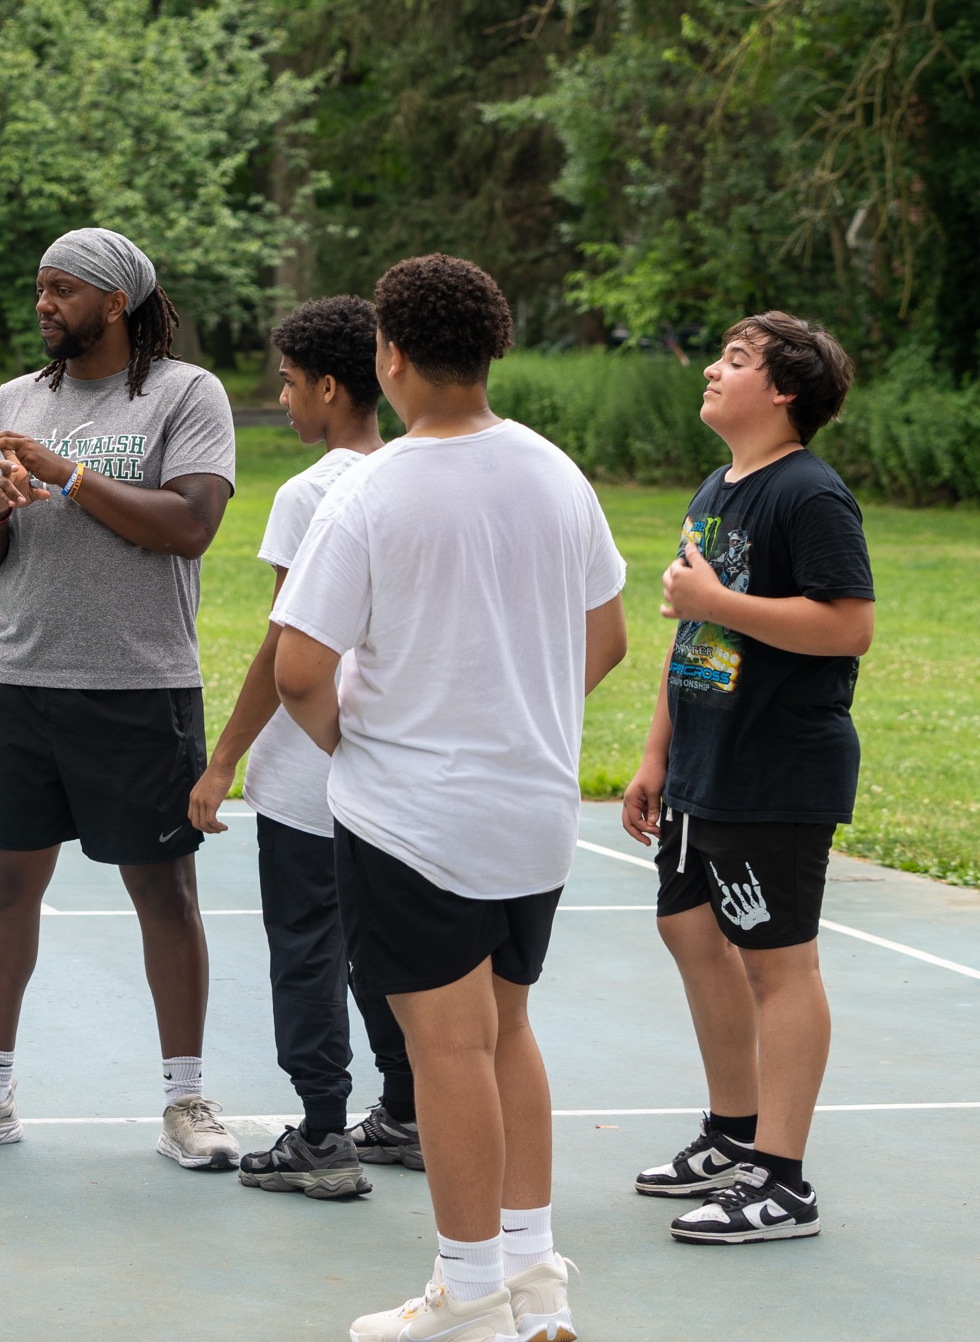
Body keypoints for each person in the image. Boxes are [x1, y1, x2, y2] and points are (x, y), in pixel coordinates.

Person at [274, 255, 628, 1342]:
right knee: (509, 1031)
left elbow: (298, 666)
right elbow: (607, 636)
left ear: (388, 354)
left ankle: (470, 1291)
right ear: (492, 349)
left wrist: (361, 743)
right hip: (533, 816)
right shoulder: (557, 472)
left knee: (451, 1050)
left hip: (415, 818)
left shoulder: (371, 489)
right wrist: (512, 710)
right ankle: (535, 1280)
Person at [0, 227, 242, 1171]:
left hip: (139, 683)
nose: (42, 304)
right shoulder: (16, 399)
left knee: (162, 891)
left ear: (113, 302)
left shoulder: (185, 393)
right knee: (5, 886)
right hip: (20, 677)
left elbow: (192, 525)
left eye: (60, 290)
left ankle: (187, 1100)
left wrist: (67, 476)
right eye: (39, 288)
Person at [621, 312, 871, 1245]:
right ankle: (732, 1134)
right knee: (689, 930)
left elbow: (847, 624)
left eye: (734, 361)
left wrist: (717, 600)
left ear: (783, 392)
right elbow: (694, 633)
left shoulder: (809, 494)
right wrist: (656, 755)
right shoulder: (718, 487)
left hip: (777, 768)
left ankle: (782, 1179)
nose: (712, 372)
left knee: (778, 964)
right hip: (704, 761)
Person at [185, 295, 417, 1203]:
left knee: (308, 951)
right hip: (393, 766)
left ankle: (323, 1132)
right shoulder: (411, 474)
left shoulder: (311, 492)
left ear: (329, 385)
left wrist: (222, 758)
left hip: (309, 773)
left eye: (287, 383)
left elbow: (289, 645)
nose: (281, 400)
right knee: (384, 952)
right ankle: (404, 1112)